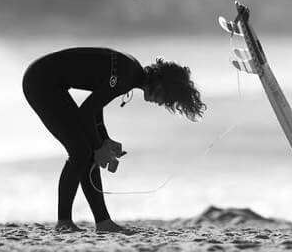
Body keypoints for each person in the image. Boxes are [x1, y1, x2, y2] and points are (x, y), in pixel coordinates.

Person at [22, 47, 206, 233]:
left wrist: (104, 140)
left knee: (87, 152)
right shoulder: (126, 76)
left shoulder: (131, 73)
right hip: (40, 82)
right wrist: (99, 147)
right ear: (160, 83)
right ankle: (65, 221)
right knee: (81, 151)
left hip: (50, 82)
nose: (161, 103)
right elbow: (87, 111)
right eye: (166, 97)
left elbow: (95, 106)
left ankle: (102, 222)